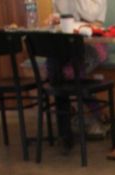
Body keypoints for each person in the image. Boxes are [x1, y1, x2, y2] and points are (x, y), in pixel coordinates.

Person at [46, 0, 109, 147]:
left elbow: (93, 18)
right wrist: (54, 19)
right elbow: (58, 18)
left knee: (68, 73)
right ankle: (66, 128)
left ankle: (94, 113)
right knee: (51, 67)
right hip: (66, 45)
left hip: (93, 44)